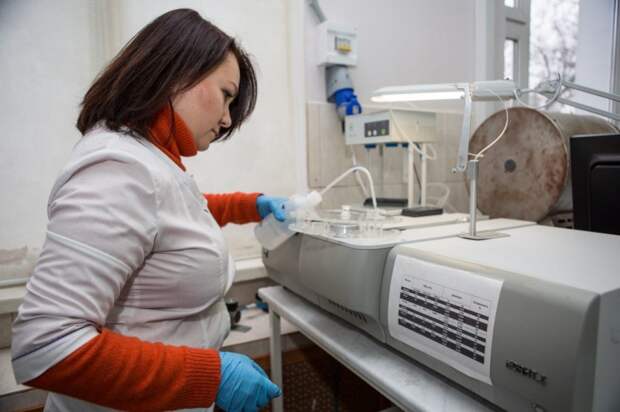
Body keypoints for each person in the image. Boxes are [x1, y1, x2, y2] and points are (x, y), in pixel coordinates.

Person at [11, 8, 286, 412]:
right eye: (226, 95)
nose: (228, 119)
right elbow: (47, 345)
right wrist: (211, 376)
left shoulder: (147, 157)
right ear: (178, 73)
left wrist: (249, 206)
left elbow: (176, 217)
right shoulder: (119, 169)